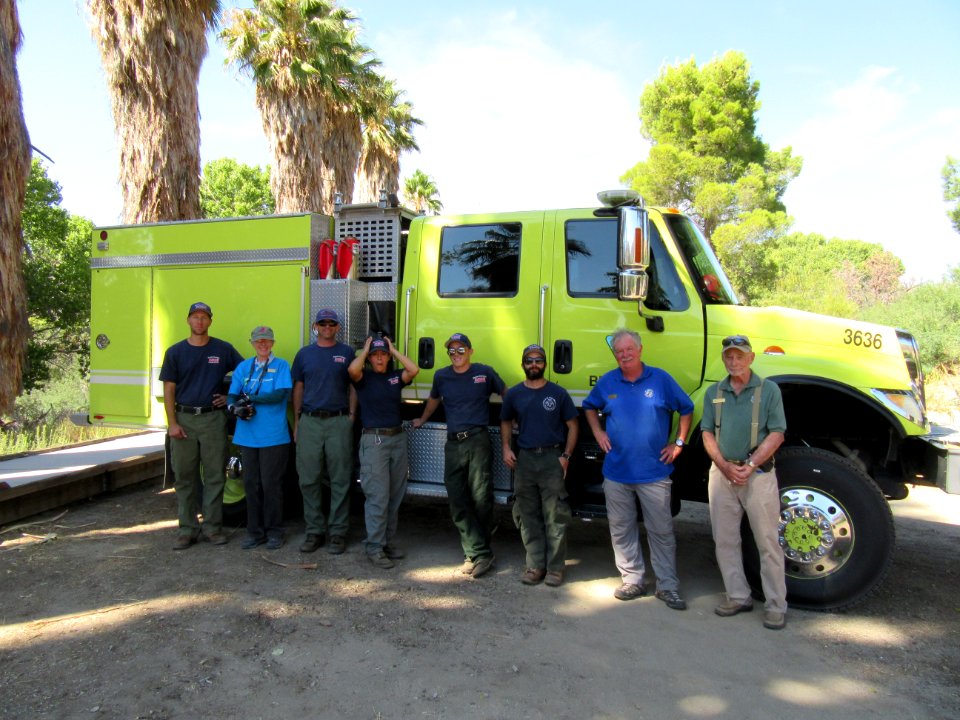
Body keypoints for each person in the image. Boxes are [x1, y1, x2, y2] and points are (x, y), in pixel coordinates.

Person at [583, 328, 693, 610]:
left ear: (640, 350)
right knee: (621, 530)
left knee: (661, 531)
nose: (624, 355)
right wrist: (598, 433)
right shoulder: (608, 382)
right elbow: (589, 407)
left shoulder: (660, 379)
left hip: (654, 473)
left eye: (629, 349)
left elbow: (686, 408)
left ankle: (667, 586)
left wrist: (679, 442)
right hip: (616, 472)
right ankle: (633, 580)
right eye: (619, 351)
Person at [701, 334, 788, 630]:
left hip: (759, 476)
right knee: (724, 540)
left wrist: (750, 465)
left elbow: (777, 433)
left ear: (751, 358)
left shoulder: (769, 391)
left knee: (767, 541)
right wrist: (724, 466)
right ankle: (738, 596)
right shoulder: (715, 392)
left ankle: (776, 605)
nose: (734, 361)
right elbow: (707, 433)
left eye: (739, 356)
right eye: (729, 356)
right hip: (723, 475)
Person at [412, 332, 506, 578]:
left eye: (461, 350)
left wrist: (517, 419)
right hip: (453, 444)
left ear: (470, 351)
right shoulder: (441, 376)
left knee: (481, 498)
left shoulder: (484, 373)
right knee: (456, 499)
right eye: (451, 351)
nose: (456, 355)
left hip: (478, 441)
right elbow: (433, 401)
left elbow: (508, 394)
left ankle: (474, 554)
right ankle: (480, 553)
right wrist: (422, 418)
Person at [159, 301, 243, 550]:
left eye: (204, 317)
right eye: (195, 317)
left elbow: (245, 373)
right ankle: (187, 530)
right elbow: (169, 389)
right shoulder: (175, 352)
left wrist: (230, 397)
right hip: (184, 420)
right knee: (185, 477)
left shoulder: (223, 349)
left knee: (216, 475)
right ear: (188, 321)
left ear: (210, 321)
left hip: (212, 420)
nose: (199, 321)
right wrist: (172, 423)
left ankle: (213, 529)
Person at [500, 344, 578, 587]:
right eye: (529, 360)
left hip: (551, 458)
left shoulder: (558, 393)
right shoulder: (514, 394)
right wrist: (506, 447)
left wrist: (565, 455)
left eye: (538, 360)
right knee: (527, 514)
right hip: (525, 459)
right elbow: (504, 421)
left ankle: (555, 568)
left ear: (544, 364)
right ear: (523, 364)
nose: (534, 364)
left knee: (555, 515)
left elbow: (573, 426)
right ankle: (535, 566)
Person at [348, 335, 419, 569]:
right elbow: (352, 369)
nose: (379, 358)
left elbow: (413, 369)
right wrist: (366, 348)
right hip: (374, 440)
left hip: (397, 438)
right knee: (377, 496)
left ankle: (386, 542)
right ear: (369, 358)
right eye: (375, 355)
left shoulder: (394, 378)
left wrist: (393, 350)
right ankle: (374, 547)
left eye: (383, 355)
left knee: (394, 495)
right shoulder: (363, 378)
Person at [292, 309, 357, 555]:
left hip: (338, 421)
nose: (327, 327)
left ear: (338, 327)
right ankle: (314, 531)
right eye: (323, 323)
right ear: (315, 326)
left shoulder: (346, 352)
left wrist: (351, 416)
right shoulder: (304, 354)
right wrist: (298, 421)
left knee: (340, 479)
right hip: (310, 421)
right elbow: (299, 388)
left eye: (332, 323)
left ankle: (338, 533)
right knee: (308, 478)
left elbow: (354, 386)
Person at [227, 326, 293, 551]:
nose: (262, 344)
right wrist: (233, 407)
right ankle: (254, 532)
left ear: (272, 343)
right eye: (258, 341)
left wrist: (253, 398)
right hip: (247, 437)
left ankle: (275, 531)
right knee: (250, 484)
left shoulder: (281, 365)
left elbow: (281, 394)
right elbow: (233, 394)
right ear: (252, 343)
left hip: (274, 437)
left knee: (271, 485)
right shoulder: (244, 367)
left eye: (266, 341)